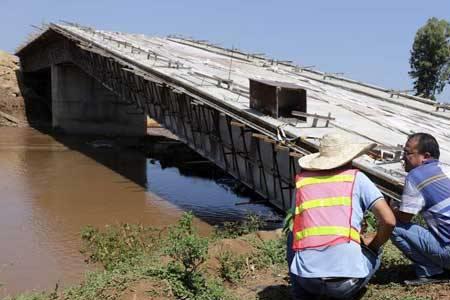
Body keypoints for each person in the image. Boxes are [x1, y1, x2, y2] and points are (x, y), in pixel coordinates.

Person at [287, 133, 396, 300]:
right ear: (350, 159)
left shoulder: (303, 182)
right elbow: (388, 221)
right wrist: (373, 245)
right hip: (344, 286)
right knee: (376, 245)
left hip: (307, 282)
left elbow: (298, 220)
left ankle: (300, 295)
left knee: (293, 235)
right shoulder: (357, 178)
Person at [390, 132, 450, 285]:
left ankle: (432, 272)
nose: (403, 157)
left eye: (408, 153)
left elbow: (404, 217)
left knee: (392, 224)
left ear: (426, 156)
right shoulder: (444, 170)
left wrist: (391, 208)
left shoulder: (416, 176)